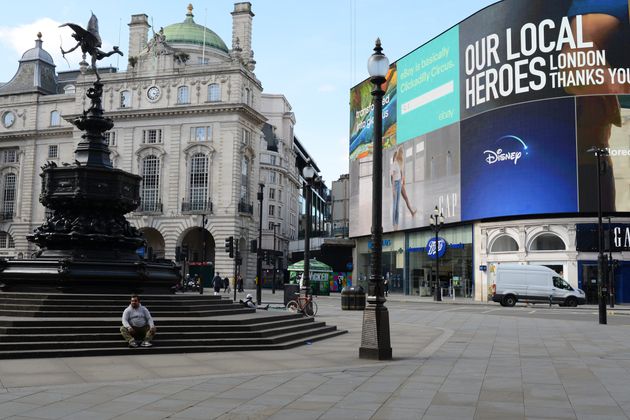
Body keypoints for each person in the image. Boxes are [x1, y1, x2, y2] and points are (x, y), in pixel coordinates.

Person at [390, 145, 416, 230]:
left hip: (400, 183)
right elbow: (393, 177)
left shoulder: (399, 163)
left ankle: (411, 212)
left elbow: (401, 173)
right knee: (395, 204)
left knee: (405, 198)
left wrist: (402, 182)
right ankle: (395, 223)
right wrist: (393, 189)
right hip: (397, 184)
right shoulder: (394, 164)